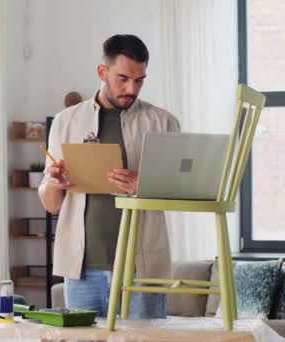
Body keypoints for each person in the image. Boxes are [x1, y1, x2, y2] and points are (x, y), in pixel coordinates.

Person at [38, 34, 180, 318]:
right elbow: (50, 203)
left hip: (142, 268)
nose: (131, 88)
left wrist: (147, 183)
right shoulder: (66, 121)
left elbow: (179, 193)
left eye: (139, 80)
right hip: (81, 268)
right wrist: (54, 182)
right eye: (123, 78)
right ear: (102, 72)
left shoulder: (164, 122)